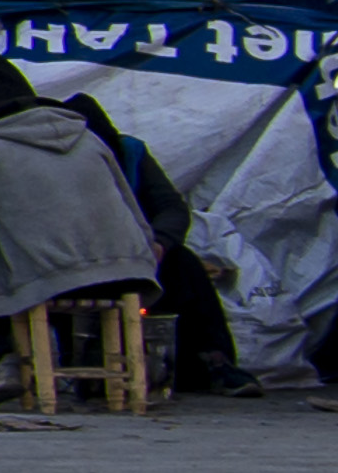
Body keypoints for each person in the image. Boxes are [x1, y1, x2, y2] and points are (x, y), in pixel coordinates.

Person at [0, 53, 163, 406]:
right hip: (131, 272)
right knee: (18, 271)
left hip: (52, 279)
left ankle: (1, 361)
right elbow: (134, 212)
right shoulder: (88, 137)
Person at [68, 86, 250, 392]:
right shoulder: (59, 163)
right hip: (79, 261)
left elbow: (171, 207)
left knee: (183, 265)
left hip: (137, 256)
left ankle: (214, 363)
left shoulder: (130, 153)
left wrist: (160, 242)